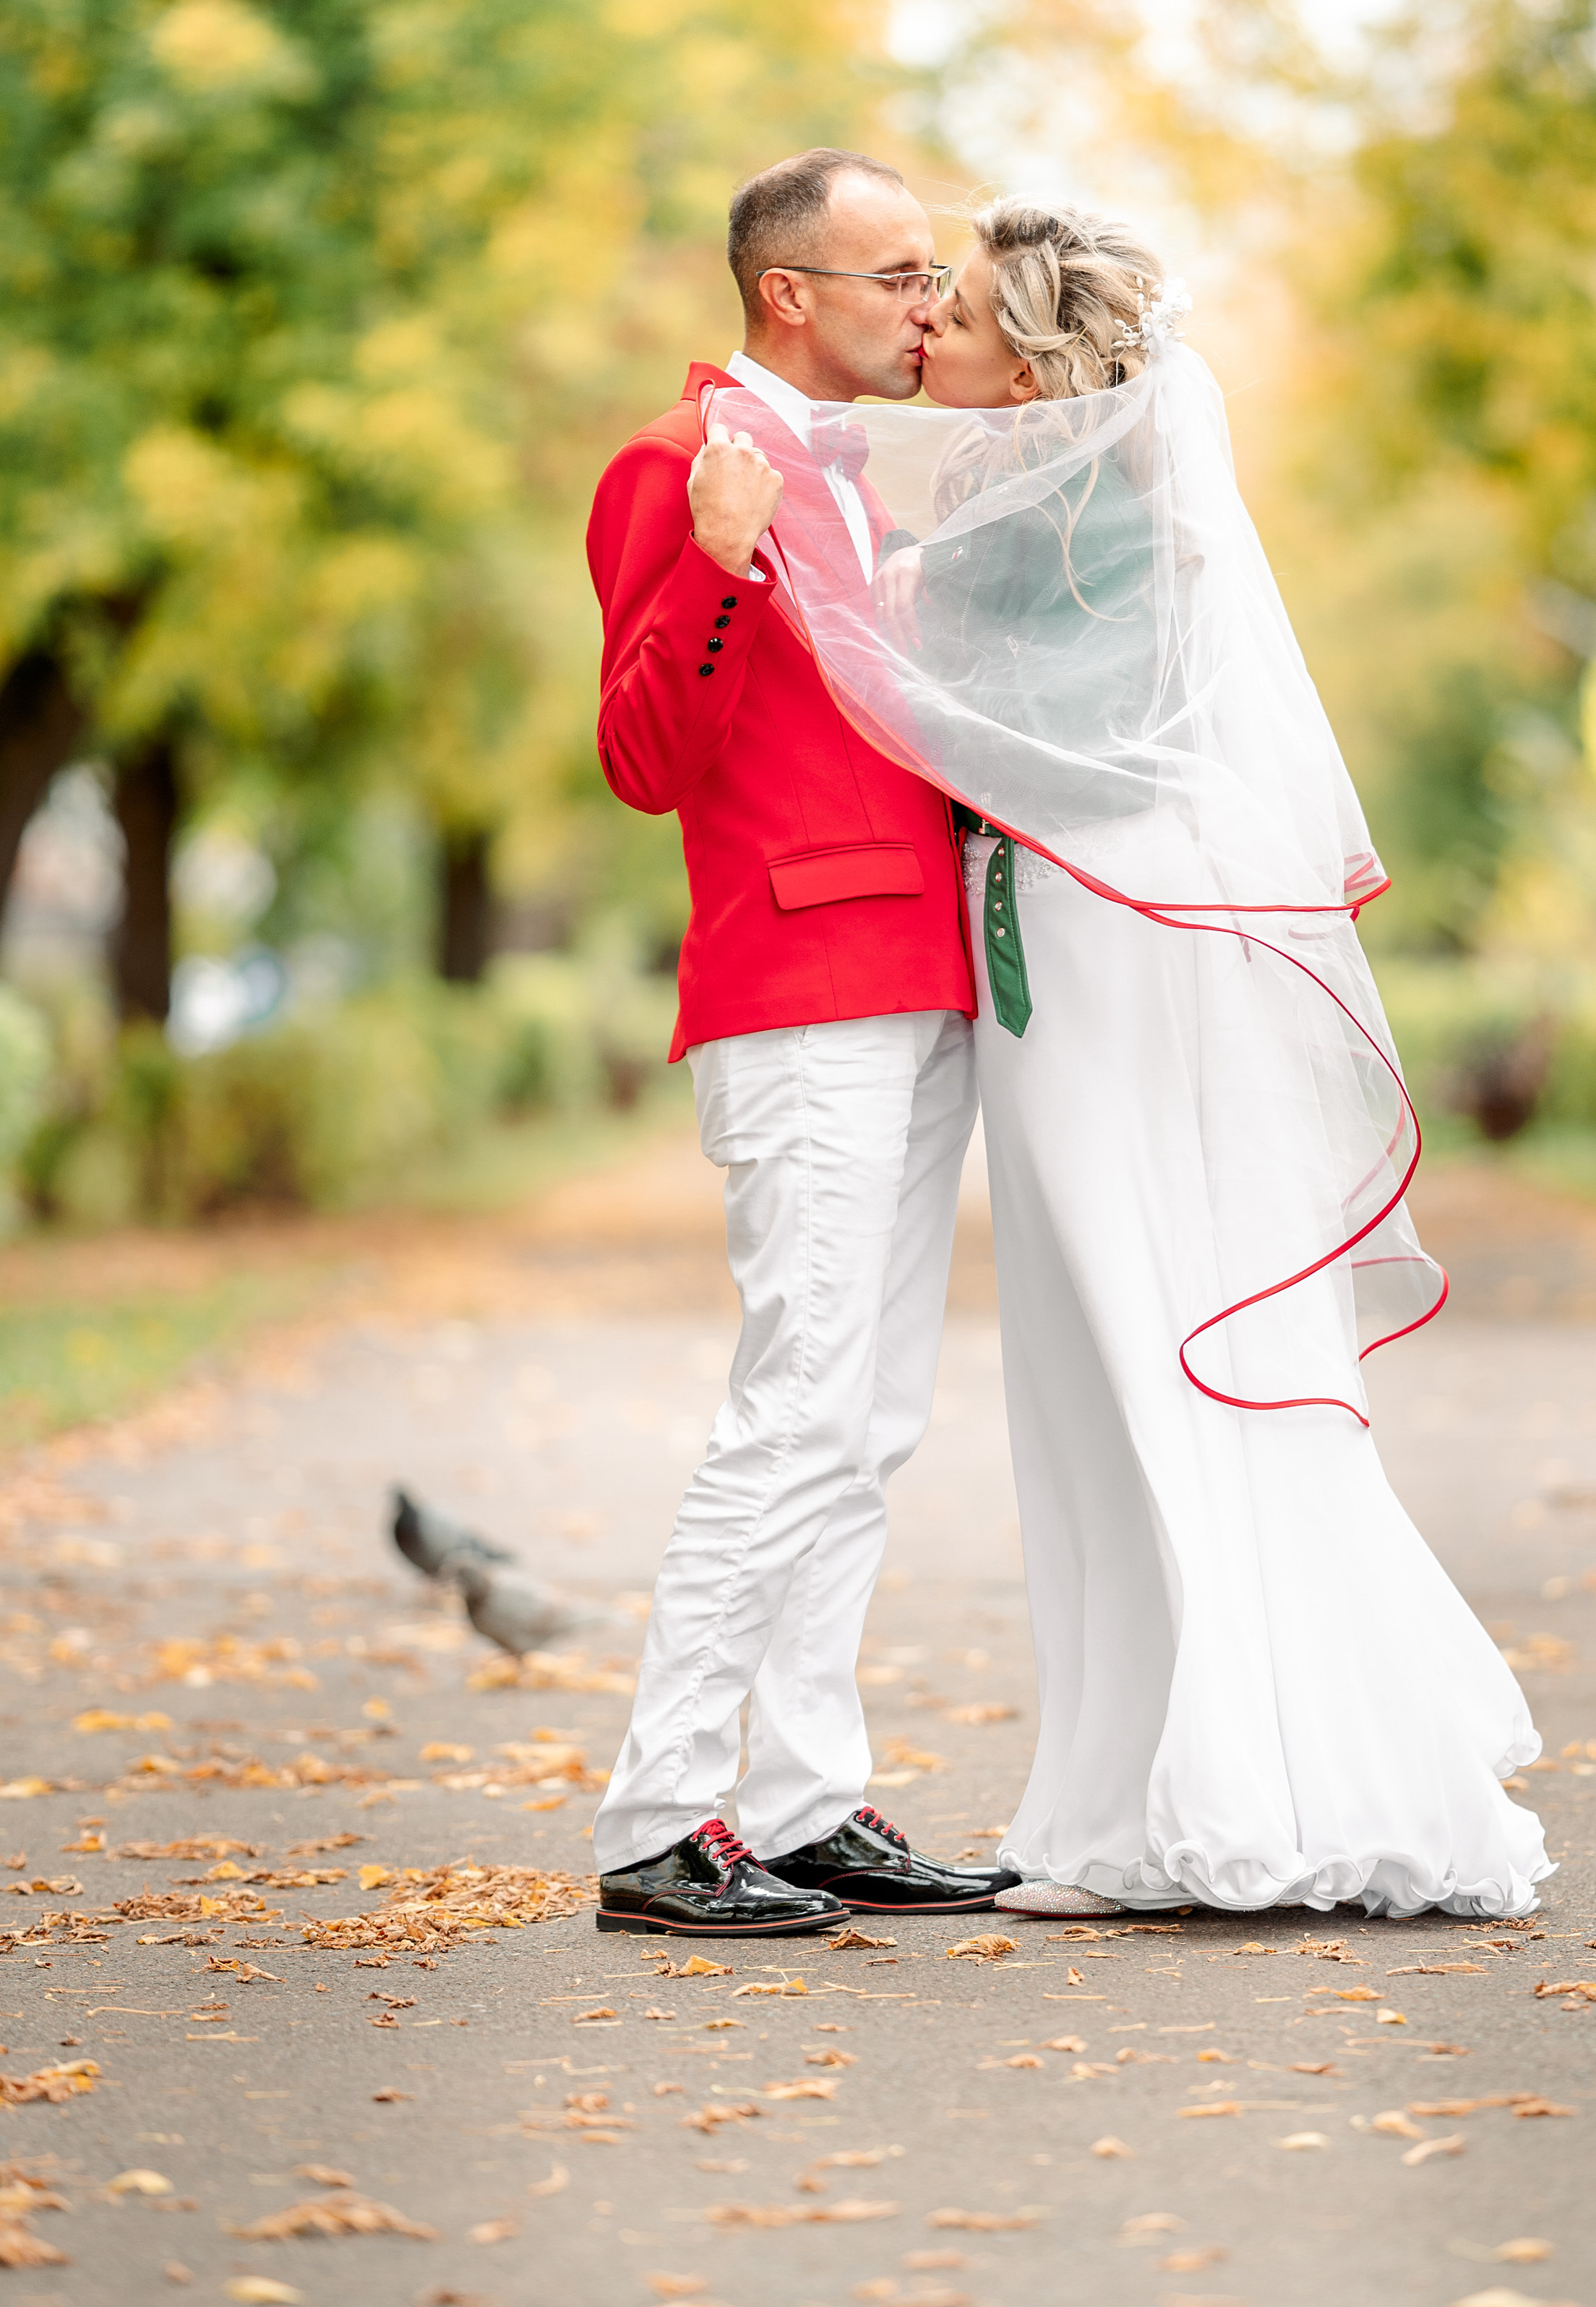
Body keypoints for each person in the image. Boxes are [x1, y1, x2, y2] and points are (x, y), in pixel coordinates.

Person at [762, 197, 1553, 1922]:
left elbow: (1066, 754)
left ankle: (1226, 1793)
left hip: (1106, 934)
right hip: (1077, 927)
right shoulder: (1026, 504)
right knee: (1091, 1346)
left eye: (955, 312)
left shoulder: (1092, 518)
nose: (923, 335)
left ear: (1036, 355)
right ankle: (1142, 1787)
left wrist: (835, 600)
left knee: (1140, 1331)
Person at [583, 147, 1011, 1935]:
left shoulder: (861, 485)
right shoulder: (677, 473)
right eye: (897, 276)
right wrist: (718, 568)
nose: (928, 305)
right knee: (789, 1406)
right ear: (787, 294)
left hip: (920, 983)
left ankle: (807, 1799)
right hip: (798, 993)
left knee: (868, 1420)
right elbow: (640, 759)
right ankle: (657, 1818)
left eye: (931, 277)